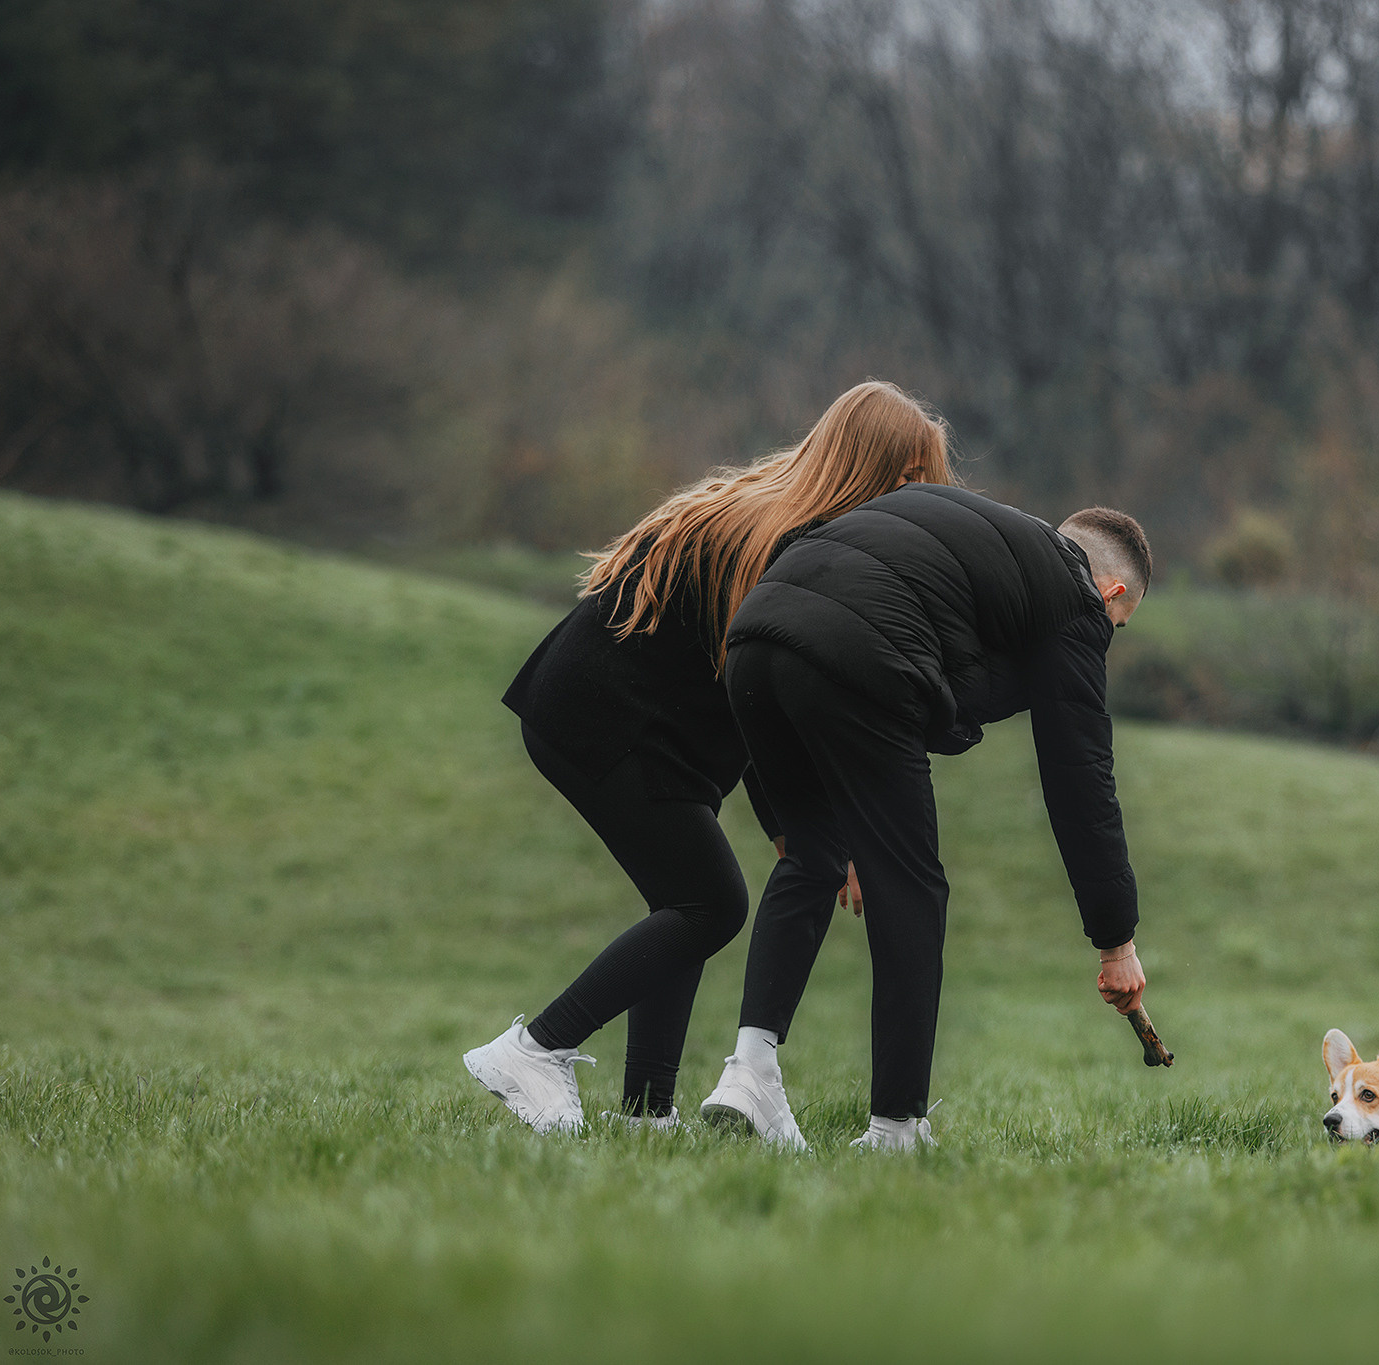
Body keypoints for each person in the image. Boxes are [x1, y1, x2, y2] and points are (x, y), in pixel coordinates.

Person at [461, 381, 953, 1133]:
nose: (919, 500)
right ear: (870, 466)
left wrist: (789, 823)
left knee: (685, 896)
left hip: (625, 719)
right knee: (709, 902)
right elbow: (764, 692)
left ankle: (646, 1112)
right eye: (912, 478)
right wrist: (797, 822)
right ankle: (535, 1048)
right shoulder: (788, 540)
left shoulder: (777, 512)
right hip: (606, 716)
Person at [696, 485, 1154, 1151]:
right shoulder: (1075, 598)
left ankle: (750, 1067)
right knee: (911, 887)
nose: (1104, 639)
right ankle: (897, 1126)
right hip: (858, 654)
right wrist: (1117, 942)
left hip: (755, 641)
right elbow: (1080, 778)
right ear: (1111, 593)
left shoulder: (967, 529)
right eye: (1119, 627)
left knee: (814, 854)